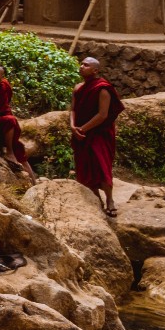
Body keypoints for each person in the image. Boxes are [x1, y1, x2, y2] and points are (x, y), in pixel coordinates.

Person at [70, 56, 124, 217]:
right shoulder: (78, 87)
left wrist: (82, 129)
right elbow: (72, 109)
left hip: (100, 133)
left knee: (102, 166)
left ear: (95, 70)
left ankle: (110, 200)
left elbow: (102, 115)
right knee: (85, 167)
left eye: (86, 65)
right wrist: (73, 127)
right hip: (80, 132)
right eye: (81, 64)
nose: (81, 67)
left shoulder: (103, 89)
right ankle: (97, 200)